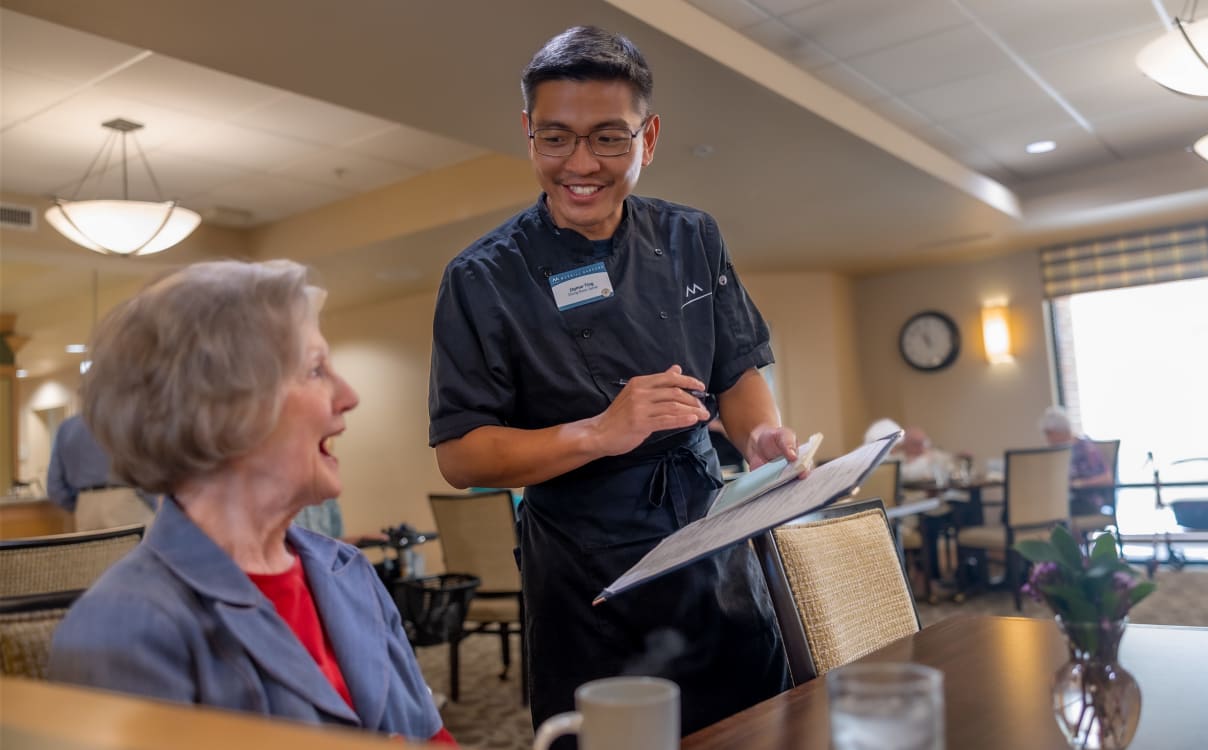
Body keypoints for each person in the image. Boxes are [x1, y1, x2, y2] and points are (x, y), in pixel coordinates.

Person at [428, 26, 793, 737]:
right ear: (529, 134)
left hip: (704, 531)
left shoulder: (693, 237)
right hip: (583, 570)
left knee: (755, 719)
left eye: (609, 138)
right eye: (556, 138)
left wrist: (761, 436)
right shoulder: (481, 277)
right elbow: (462, 454)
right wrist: (599, 432)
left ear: (648, 138)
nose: (581, 164)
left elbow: (736, 372)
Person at [49, 260, 454, 746]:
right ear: (223, 410)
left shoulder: (350, 572)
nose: (349, 396)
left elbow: (431, 736)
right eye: (316, 369)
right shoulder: (123, 629)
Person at [46, 413, 155, 531]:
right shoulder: (128, 418)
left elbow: (54, 486)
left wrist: (80, 505)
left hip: (85, 507)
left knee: (94, 549)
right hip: (127, 503)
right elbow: (146, 470)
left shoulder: (67, 427)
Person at [1040, 406, 1111, 513]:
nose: (1047, 440)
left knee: (1051, 512)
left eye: (1049, 434)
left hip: (1087, 501)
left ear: (1061, 431)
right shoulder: (1058, 452)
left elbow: (1107, 478)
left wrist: (1079, 483)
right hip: (1067, 500)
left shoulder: (1085, 448)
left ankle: (1060, 529)